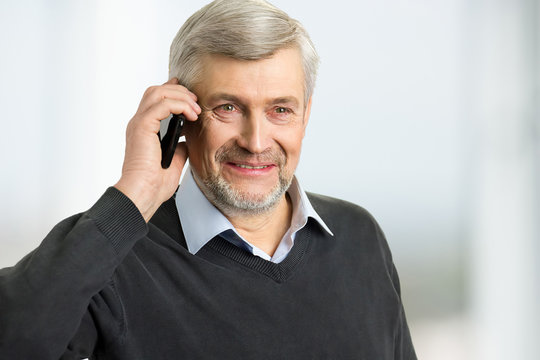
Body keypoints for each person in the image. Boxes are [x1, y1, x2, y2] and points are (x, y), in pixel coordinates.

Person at [0, 0, 417, 359]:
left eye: (280, 110)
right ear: (180, 114)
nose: (256, 142)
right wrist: (133, 196)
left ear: (306, 114)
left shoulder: (359, 237)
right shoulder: (116, 256)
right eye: (228, 108)